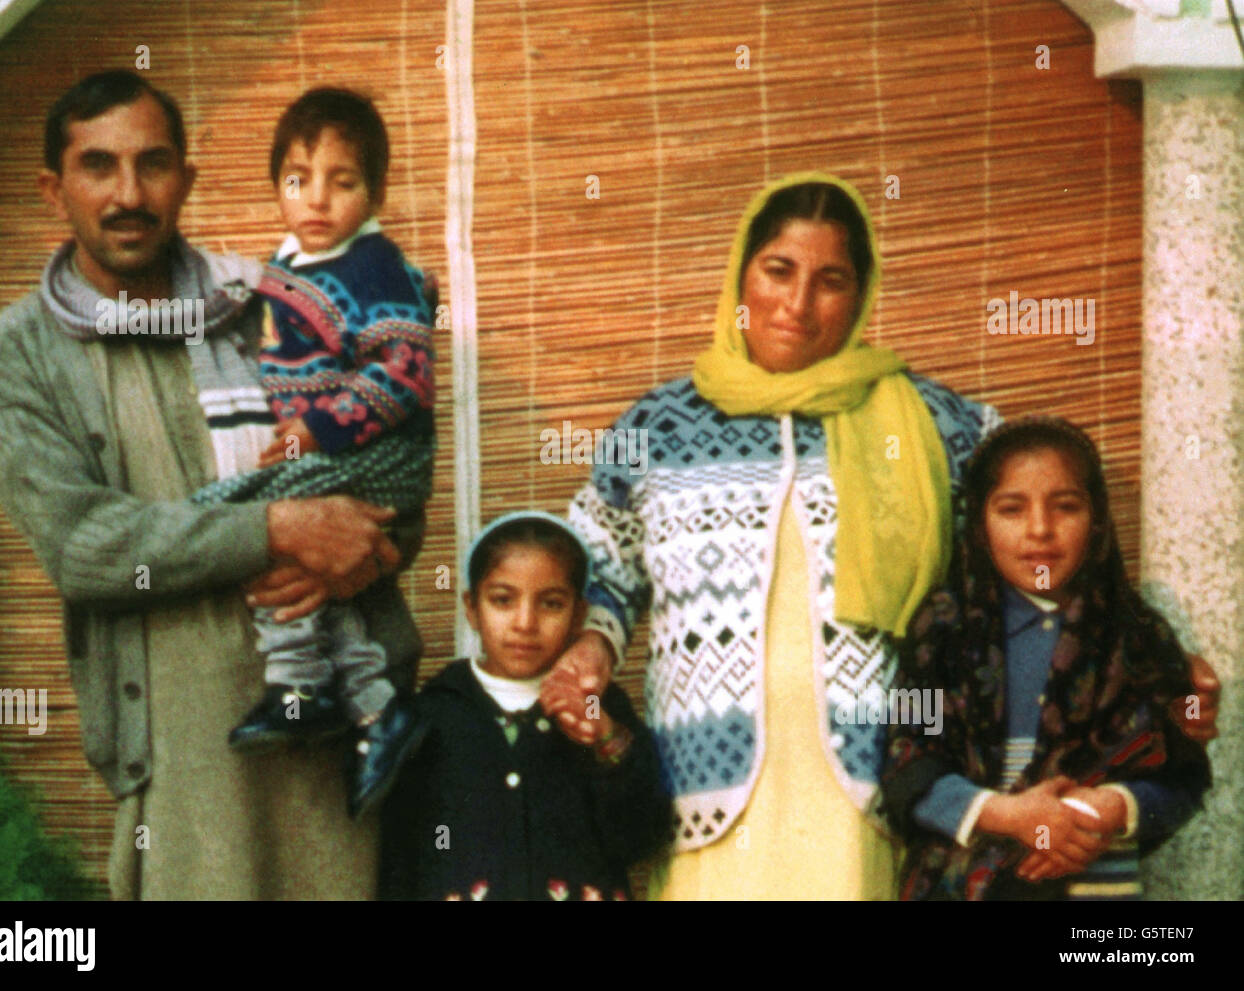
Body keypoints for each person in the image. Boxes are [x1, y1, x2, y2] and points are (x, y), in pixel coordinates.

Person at [546, 172, 1222, 899]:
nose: (798, 303)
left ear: (863, 292)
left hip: (874, 795)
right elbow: (600, 559)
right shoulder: (656, 426)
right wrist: (593, 644)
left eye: (830, 280)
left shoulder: (938, 425)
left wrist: (1160, 666)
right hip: (706, 788)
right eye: (778, 270)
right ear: (742, 271)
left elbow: (1039, 546)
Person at [0, 69, 420, 898]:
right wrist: (280, 530)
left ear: (188, 180)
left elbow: (396, 472)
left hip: (333, 741)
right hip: (176, 764)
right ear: (52, 188)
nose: (128, 193)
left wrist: (363, 546)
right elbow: (85, 546)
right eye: (98, 166)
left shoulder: (273, 302)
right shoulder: (14, 352)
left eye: (154, 165)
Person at [188, 87, 436, 819]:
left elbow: (405, 372)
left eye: (343, 180)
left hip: (378, 451)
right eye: (299, 179)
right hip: (336, 446)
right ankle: (377, 709)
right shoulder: (292, 261)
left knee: (239, 514)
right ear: (278, 188)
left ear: (376, 191)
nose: (318, 198)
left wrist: (313, 430)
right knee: (303, 554)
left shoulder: (376, 268)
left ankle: (300, 687)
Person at [881, 417, 1211, 900]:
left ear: (1097, 519)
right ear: (978, 523)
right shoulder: (942, 632)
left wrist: (1110, 808)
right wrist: (1007, 816)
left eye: (1066, 507)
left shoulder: (1137, 636)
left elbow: (1182, 778)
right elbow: (906, 761)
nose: (1040, 530)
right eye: (1012, 509)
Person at [378, 512, 673, 900]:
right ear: (472, 608)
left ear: (578, 615)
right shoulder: (432, 717)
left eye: (551, 604)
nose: (525, 622)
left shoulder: (600, 709)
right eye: (503, 600)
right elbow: (400, 860)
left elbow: (641, 839)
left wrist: (607, 740)